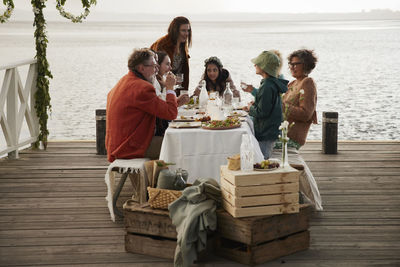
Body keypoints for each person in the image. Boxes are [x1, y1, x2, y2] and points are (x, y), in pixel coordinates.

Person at [106, 48, 178, 162]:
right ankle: (170, 179)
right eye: (154, 66)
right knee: (178, 146)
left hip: (116, 145)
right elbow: (171, 113)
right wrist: (170, 88)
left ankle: (157, 178)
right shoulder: (143, 88)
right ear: (141, 68)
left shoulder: (124, 81)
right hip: (128, 148)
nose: (156, 70)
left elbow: (160, 107)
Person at [242, 51, 288, 159]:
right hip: (271, 129)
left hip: (266, 131)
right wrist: (257, 102)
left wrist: (250, 108)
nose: (255, 65)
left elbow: (262, 112)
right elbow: (268, 104)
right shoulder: (271, 83)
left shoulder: (267, 86)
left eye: (257, 63)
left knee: (263, 159)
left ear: (264, 67)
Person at [283, 49, 318, 148]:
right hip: (283, 134)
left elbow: (306, 114)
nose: (292, 68)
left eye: (295, 64)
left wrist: (282, 106)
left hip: (292, 139)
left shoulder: (308, 82)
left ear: (306, 65)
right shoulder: (293, 83)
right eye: (290, 64)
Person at [151, 16, 191, 96]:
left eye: (188, 31)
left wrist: (184, 93)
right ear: (175, 31)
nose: (187, 34)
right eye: (183, 30)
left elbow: (184, 72)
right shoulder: (163, 44)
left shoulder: (183, 46)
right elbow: (157, 71)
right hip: (160, 89)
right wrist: (167, 86)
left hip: (174, 88)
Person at [154, 51, 189, 136]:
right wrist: (169, 87)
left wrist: (177, 102)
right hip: (157, 131)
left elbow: (164, 105)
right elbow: (163, 107)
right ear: (157, 65)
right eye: (167, 64)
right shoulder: (153, 82)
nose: (170, 68)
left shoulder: (161, 80)